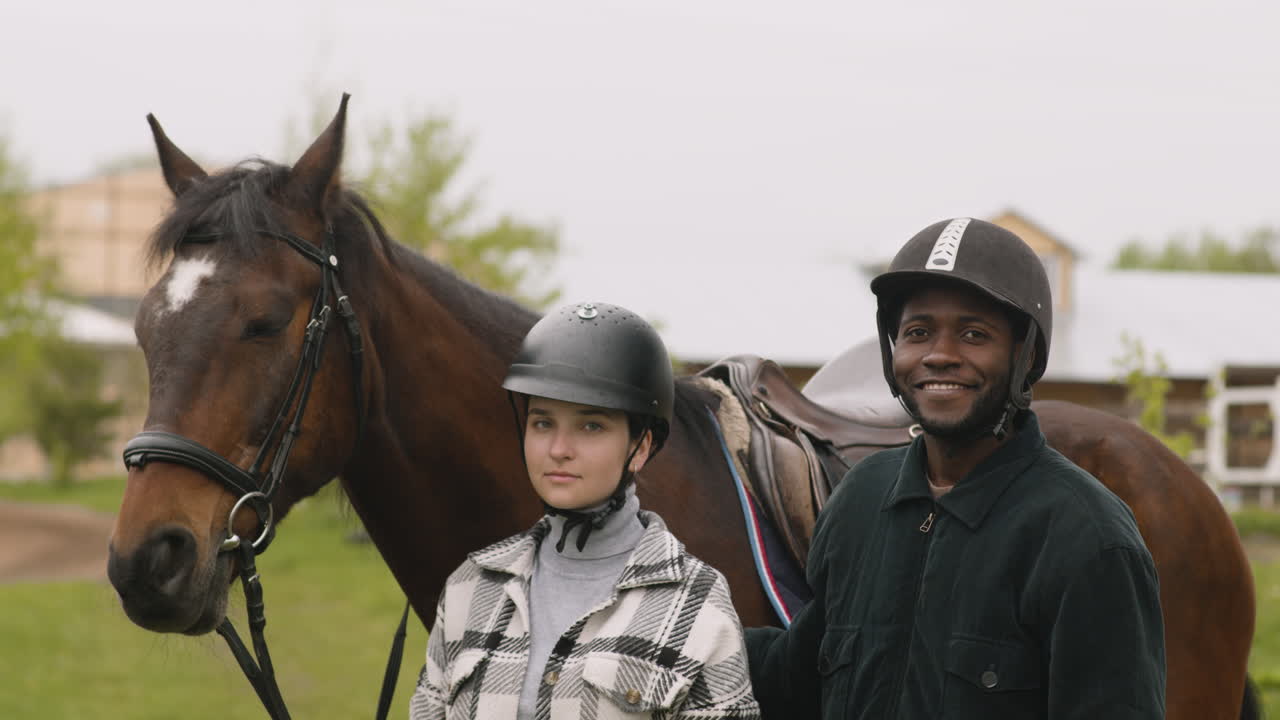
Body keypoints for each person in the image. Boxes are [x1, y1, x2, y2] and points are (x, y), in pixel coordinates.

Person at [744, 218, 1166, 718]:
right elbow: (801, 675)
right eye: (918, 332)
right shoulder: (860, 500)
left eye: (973, 333)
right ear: (892, 350)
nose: (940, 355)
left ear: (1025, 356)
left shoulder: (1087, 538)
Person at [410, 302, 759, 720]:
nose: (558, 450)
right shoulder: (470, 587)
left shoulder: (698, 604)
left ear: (640, 447)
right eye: (542, 423)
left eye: (591, 426)